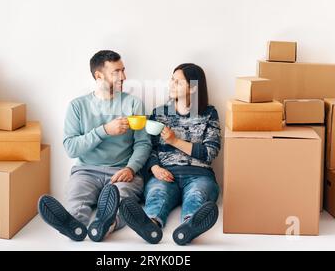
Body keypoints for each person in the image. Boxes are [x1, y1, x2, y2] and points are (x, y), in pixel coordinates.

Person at [38, 50, 152, 242]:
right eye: (116, 72)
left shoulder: (133, 104)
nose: (123, 77)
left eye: (123, 70)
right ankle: (75, 225)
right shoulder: (78, 106)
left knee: (123, 200)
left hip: (122, 171)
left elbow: (143, 143)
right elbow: (71, 148)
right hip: (86, 171)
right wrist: (104, 130)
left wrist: (130, 168)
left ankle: (106, 224)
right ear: (98, 75)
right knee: (77, 196)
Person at [120, 63, 221, 245]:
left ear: (193, 87)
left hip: (199, 175)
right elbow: (148, 147)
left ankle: (189, 227)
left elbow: (210, 152)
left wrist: (175, 141)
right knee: (157, 193)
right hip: (165, 174)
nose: (171, 85)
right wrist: (155, 167)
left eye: (178, 82)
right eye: (172, 80)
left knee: (197, 195)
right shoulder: (159, 113)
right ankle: (150, 225)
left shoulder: (209, 113)